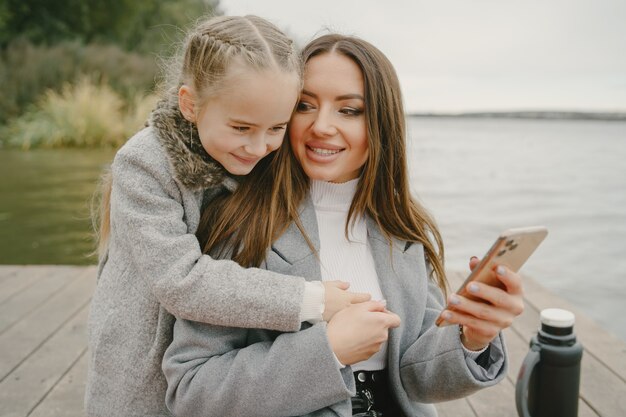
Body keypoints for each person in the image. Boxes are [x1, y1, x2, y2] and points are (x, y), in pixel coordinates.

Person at [162, 33, 524, 416]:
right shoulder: (240, 222)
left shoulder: (399, 230)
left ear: (381, 124)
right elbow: (192, 390)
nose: (321, 126)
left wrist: (473, 337)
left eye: (348, 110)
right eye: (305, 105)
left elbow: (415, 378)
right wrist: (327, 350)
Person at [85, 17, 369, 417]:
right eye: (242, 127)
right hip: (143, 363)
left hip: (217, 363)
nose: (258, 146)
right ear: (190, 104)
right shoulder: (145, 164)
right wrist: (310, 299)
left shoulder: (251, 155)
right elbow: (180, 280)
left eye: (277, 127)